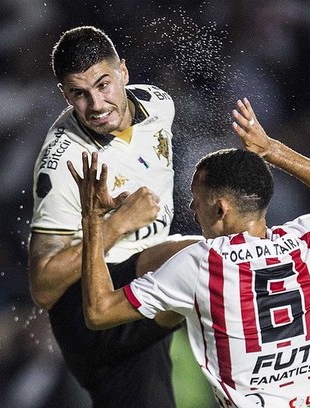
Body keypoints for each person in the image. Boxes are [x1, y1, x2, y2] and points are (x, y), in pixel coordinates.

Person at [68, 98, 310, 407]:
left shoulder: (201, 264)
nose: (191, 209)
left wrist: (92, 218)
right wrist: (271, 150)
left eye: (195, 198)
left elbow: (99, 311)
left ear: (220, 207)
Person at [29, 25, 196, 407]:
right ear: (64, 95)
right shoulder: (64, 160)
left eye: (103, 85)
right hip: (90, 313)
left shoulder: (158, 105)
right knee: (199, 258)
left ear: (124, 71)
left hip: (139, 294)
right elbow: (42, 286)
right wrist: (116, 223)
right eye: (79, 95)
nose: (97, 105)